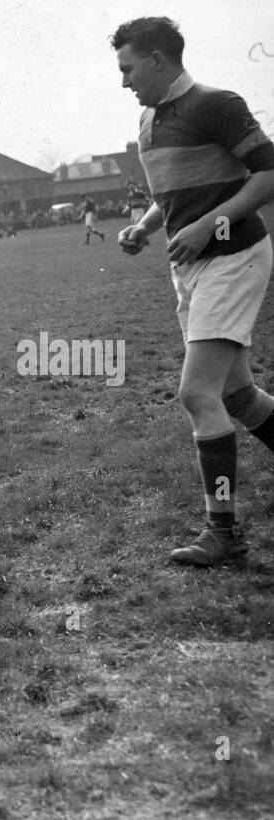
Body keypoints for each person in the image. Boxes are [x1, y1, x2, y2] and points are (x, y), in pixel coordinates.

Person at [112, 16, 274, 566]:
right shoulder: (147, 119)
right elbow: (175, 192)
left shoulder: (217, 103)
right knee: (237, 399)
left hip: (234, 256)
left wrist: (213, 223)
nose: (125, 81)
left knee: (197, 395)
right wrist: (145, 227)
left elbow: (269, 173)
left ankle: (223, 532)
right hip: (192, 268)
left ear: (159, 59)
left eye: (129, 69)